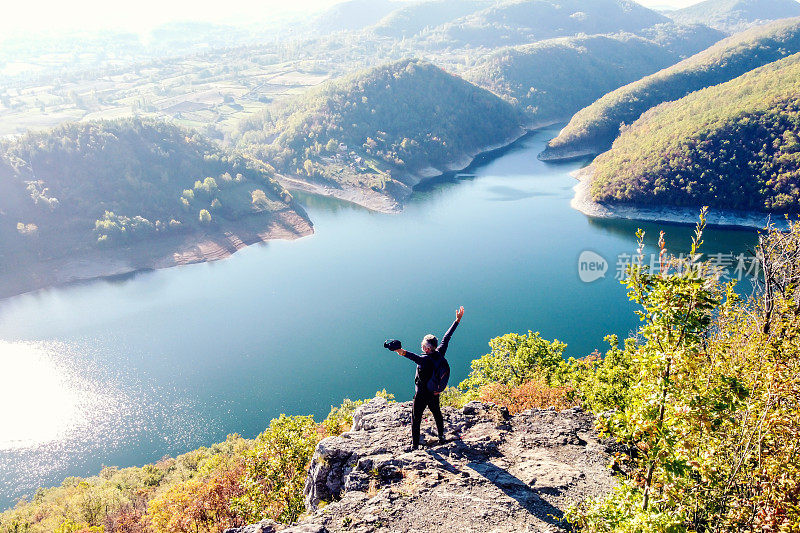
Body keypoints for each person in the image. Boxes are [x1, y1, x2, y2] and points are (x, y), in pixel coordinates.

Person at [393, 306, 464, 450]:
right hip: (434, 392)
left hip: (421, 395)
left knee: (416, 419)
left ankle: (415, 446)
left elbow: (408, 355)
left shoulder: (423, 360)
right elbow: (446, 337)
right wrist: (457, 321)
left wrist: (399, 350)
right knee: (437, 413)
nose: (421, 346)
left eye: (423, 344)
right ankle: (441, 437)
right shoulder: (440, 353)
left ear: (427, 348)